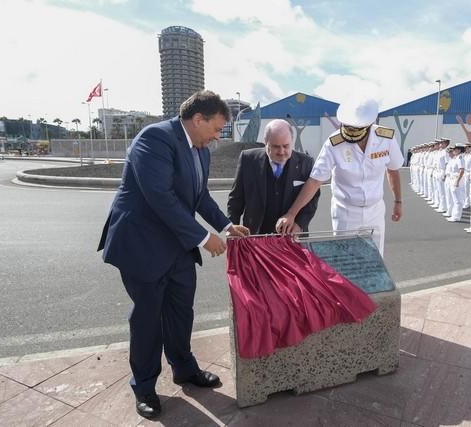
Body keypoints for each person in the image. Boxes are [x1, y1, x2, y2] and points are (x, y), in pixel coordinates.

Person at [97, 90, 250, 419]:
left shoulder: (201, 151)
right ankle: (145, 386)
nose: (217, 136)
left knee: (181, 312)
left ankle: (184, 368)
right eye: (216, 128)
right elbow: (159, 196)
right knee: (148, 319)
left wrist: (225, 227)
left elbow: (199, 196)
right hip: (142, 244)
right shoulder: (155, 139)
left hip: (176, 244)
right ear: (198, 120)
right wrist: (202, 236)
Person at [276, 96, 403, 256]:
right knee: (345, 261)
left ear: (369, 126)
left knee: (376, 261)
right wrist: (292, 213)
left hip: (375, 210)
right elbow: (315, 181)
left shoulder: (386, 139)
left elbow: (393, 169)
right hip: (346, 211)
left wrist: (398, 201)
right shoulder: (334, 143)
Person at [227, 119, 320, 234]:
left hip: (292, 236)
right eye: (276, 147)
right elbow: (236, 199)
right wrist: (232, 228)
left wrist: (299, 224)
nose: (281, 152)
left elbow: (312, 199)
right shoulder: (248, 160)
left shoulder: (306, 163)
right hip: (256, 236)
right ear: (265, 142)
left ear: (292, 140)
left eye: (286, 146)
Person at [445, 143, 466, 222]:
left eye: (455, 149)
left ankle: (456, 216)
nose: (453, 150)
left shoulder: (460, 158)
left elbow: (462, 170)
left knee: (458, 200)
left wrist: (457, 181)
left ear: (459, 150)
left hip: (457, 180)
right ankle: (454, 215)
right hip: (452, 179)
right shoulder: (455, 158)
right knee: (454, 199)